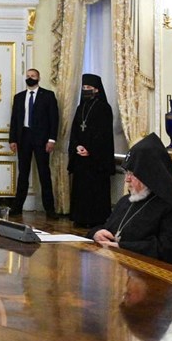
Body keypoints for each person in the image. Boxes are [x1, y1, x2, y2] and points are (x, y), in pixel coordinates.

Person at [89, 133, 172, 270]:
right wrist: (97, 233)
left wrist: (122, 247)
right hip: (122, 269)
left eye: (132, 174)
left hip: (158, 278)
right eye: (126, 173)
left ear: (149, 175)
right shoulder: (127, 201)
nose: (126, 180)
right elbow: (107, 227)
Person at [9, 67, 60, 218]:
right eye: (28, 76)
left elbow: (54, 119)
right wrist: (12, 139)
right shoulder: (19, 97)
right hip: (24, 137)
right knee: (23, 174)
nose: (30, 78)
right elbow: (14, 120)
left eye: (33, 76)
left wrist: (52, 139)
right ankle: (17, 207)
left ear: (38, 78)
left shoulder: (48, 96)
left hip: (42, 139)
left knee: (44, 173)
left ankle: (50, 210)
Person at [67, 74, 116, 227]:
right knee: (81, 189)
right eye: (84, 88)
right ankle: (79, 217)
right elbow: (75, 130)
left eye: (88, 88)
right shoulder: (81, 107)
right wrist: (77, 146)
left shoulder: (104, 108)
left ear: (96, 89)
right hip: (81, 157)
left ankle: (95, 219)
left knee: (95, 189)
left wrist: (90, 149)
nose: (85, 91)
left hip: (96, 159)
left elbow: (103, 134)